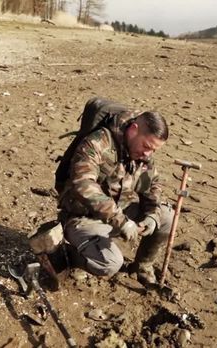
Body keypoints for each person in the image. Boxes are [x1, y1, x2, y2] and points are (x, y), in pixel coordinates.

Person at [57, 108, 173, 285]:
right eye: (147, 147)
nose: (148, 154)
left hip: (120, 210)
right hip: (83, 217)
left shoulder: (143, 152)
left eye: (153, 150)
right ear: (133, 130)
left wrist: (152, 215)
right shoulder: (97, 142)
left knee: (166, 216)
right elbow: (83, 185)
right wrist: (121, 220)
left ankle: (143, 266)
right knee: (110, 264)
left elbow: (153, 183)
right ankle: (64, 257)